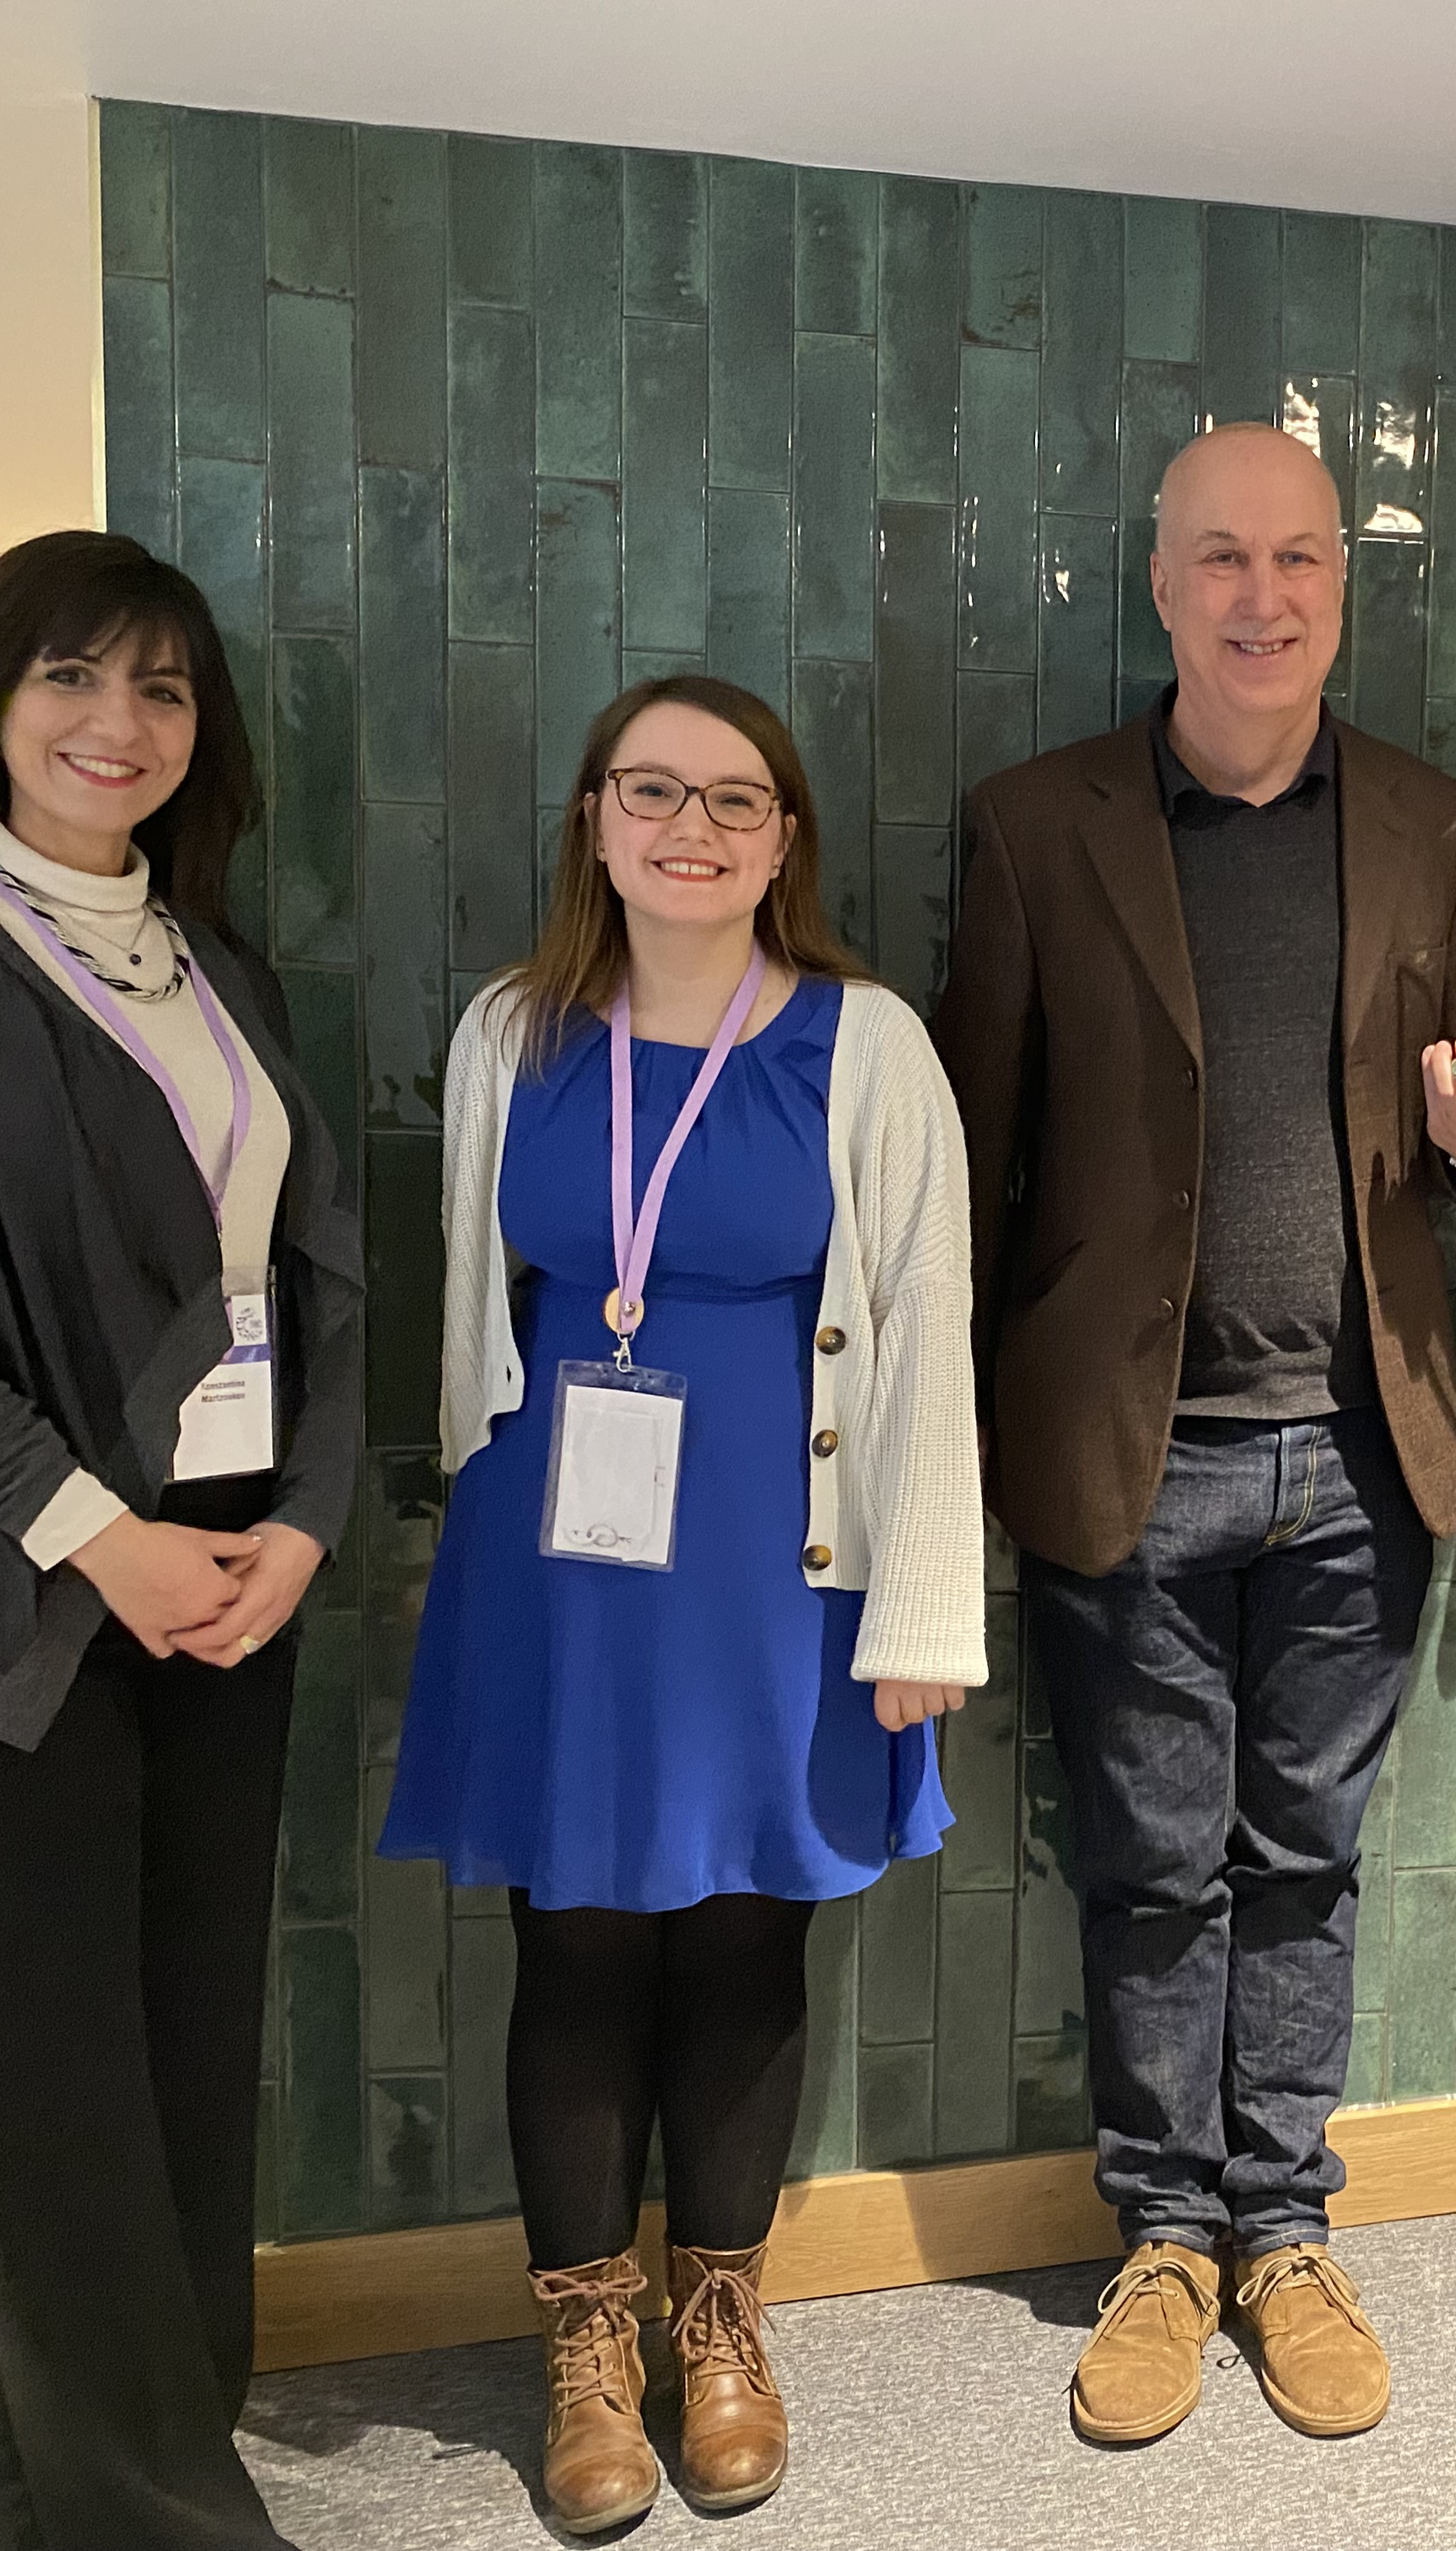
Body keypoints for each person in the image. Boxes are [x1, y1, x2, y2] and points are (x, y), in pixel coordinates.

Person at [932, 423, 1456, 2448]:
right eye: (1220, 560)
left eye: (1298, 559)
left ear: (1341, 585)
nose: (1262, 598)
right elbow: (975, 1169)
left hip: (1366, 1452)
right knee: (1148, 1871)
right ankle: (1164, 2239)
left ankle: (1285, 2229)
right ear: (1160, 580)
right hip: (1130, 1451)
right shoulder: (1034, 825)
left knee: (1307, 1863)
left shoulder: (1442, 820)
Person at [0, 530, 361, 2551]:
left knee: (178, 2053)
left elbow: (314, 1277)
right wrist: (98, 1535)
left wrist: (299, 1525)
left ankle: (168, 2426)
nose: (120, 726)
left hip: (222, 1595)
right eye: (71, 680)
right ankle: (102, 2514)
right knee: (17, 2089)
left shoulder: (226, 972)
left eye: (165, 690)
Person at [380, 676, 982, 2532]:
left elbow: (925, 1328)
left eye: (736, 800)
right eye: (654, 791)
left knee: (741, 1941)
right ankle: (583, 2346)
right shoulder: (513, 1033)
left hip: (773, 1573)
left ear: (785, 839)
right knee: (570, 1945)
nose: (693, 828)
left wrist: (924, 1615)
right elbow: (476, 1310)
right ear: (595, 818)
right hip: (557, 1569)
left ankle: (718, 2317)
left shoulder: (862, 1042)